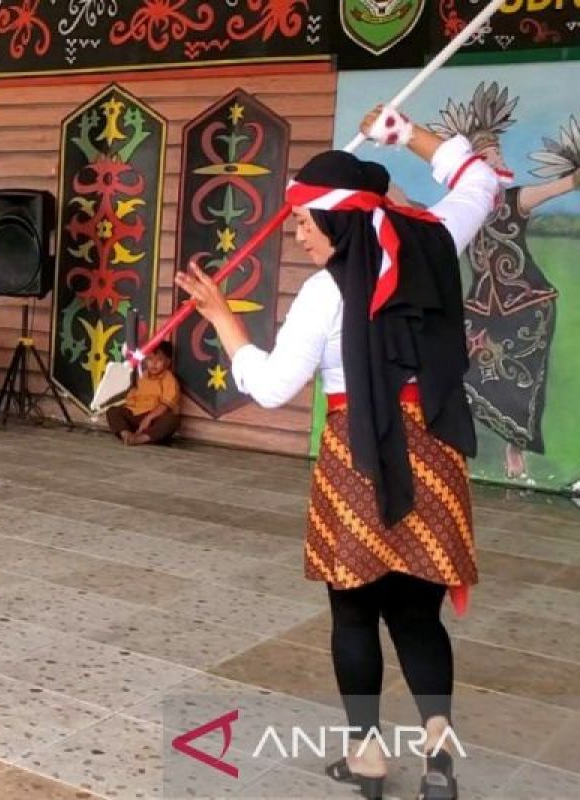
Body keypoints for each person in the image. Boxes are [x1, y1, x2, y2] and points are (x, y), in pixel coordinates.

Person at [174, 105, 499, 800]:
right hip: (434, 455)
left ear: (337, 219)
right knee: (417, 614)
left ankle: (370, 759)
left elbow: (269, 387)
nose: (296, 234)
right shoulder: (435, 243)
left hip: (358, 458)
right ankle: (439, 763)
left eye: (304, 220)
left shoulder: (325, 294)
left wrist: (225, 321)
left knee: (354, 614)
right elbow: (478, 182)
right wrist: (407, 133)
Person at [428, 82, 579, 479]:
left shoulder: (516, 200)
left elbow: (561, 186)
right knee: (458, 366)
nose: (495, 157)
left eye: (496, 151)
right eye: (485, 153)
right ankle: (455, 440)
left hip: (527, 306)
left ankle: (515, 452)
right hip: (479, 305)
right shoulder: (462, 207)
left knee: (524, 382)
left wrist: (573, 177)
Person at [105, 342, 182, 445]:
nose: (154, 363)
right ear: (145, 360)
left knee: (172, 420)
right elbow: (131, 398)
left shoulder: (169, 380)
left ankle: (140, 439)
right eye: (150, 359)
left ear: (168, 362)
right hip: (136, 415)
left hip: (153, 419)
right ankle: (126, 435)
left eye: (159, 359)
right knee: (113, 411)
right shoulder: (142, 376)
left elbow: (165, 406)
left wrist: (148, 419)